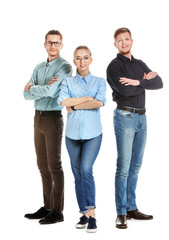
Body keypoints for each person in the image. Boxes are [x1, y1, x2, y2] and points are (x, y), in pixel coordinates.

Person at [106, 27, 163, 229]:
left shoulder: (139, 64)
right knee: (123, 167)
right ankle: (121, 212)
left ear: (132, 41)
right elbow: (124, 90)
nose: (124, 42)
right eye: (120, 40)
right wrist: (144, 82)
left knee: (135, 166)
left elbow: (159, 83)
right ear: (115, 44)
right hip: (125, 117)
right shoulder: (113, 66)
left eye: (127, 39)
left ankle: (131, 208)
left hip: (142, 118)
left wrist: (138, 81)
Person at [23, 30, 72, 224]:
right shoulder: (38, 67)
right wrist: (36, 90)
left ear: (61, 45)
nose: (53, 46)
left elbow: (52, 92)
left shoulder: (65, 67)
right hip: (38, 118)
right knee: (42, 165)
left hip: (53, 118)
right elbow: (25, 95)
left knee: (54, 164)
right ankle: (47, 206)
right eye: (50, 43)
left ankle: (58, 211)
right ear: (45, 45)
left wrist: (33, 88)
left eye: (56, 43)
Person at [58, 46, 106, 233]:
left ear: (91, 60)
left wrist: (76, 104)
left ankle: (92, 214)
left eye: (85, 58)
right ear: (74, 61)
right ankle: (84, 213)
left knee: (86, 169)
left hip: (93, 135)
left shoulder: (99, 81)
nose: (82, 61)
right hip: (72, 136)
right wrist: (87, 99)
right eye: (78, 58)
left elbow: (99, 102)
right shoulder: (67, 82)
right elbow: (63, 102)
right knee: (77, 174)